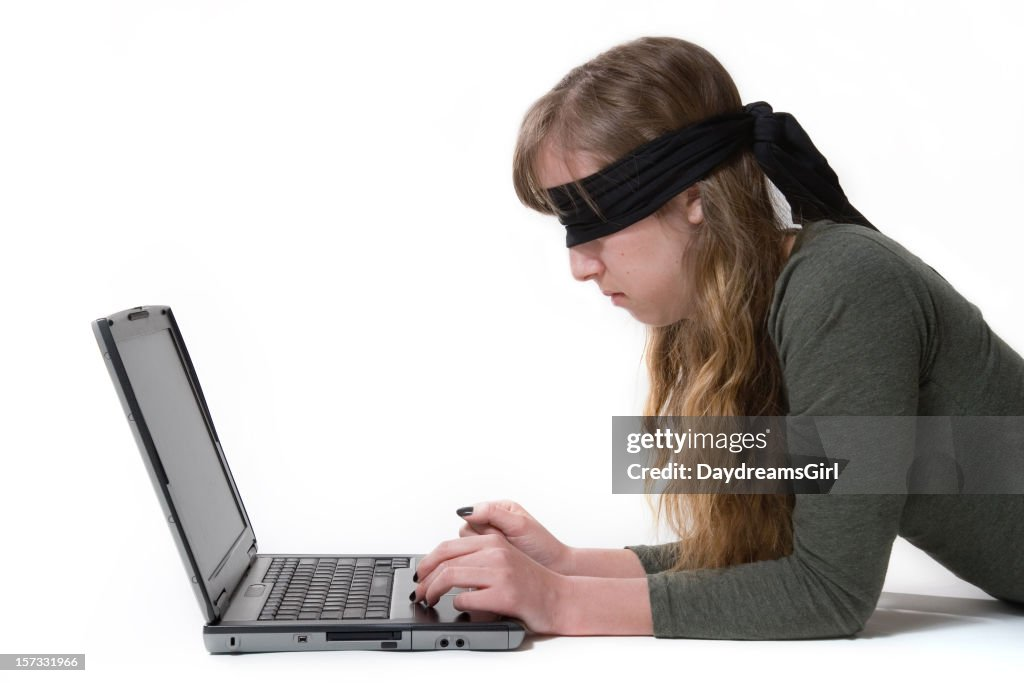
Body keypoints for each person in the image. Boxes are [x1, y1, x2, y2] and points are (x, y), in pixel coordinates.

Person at [410, 36, 1024, 638]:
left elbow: (829, 591)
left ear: (694, 199)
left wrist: (564, 601)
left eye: (594, 223)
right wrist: (570, 566)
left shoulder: (843, 286)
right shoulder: (750, 311)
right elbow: (765, 550)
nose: (579, 264)